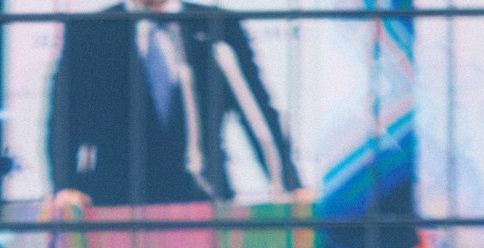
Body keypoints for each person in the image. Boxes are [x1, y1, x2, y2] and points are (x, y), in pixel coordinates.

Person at [46, 0, 299, 213]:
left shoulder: (218, 26)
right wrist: (64, 186)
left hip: (205, 202)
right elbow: (64, 120)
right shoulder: (90, 31)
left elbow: (257, 113)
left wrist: (290, 185)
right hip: (115, 207)